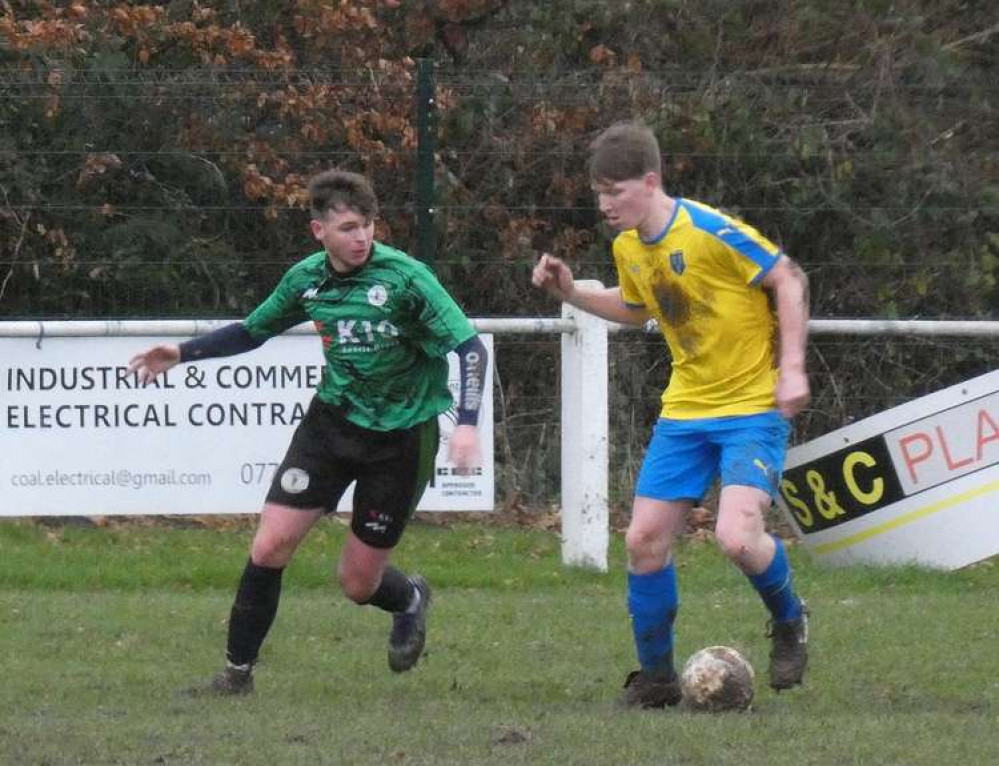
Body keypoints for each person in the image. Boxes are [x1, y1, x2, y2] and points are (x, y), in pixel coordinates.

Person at [129, 169, 488, 695]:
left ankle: (408, 597)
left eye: (367, 225)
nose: (361, 237)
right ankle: (236, 676)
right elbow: (254, 330)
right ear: (319, 231)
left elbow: (470, 348)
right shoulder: (306, 280)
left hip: (403, 437)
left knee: (356, 583)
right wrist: (183, 353)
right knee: (270, 544)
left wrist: (468, 425)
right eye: (347, 227)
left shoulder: (406, 279)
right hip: (333, 423)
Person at [532, 121, 811, 709]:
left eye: (616, 191)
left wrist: (792, 368)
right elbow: (636, 309)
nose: (606, 205)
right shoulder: (629, 247)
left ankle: (789, 619)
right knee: (643, 542)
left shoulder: (710, 230)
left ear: (651, 181)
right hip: (685, 412)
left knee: (737, 538)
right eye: (599, 194)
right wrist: (571, 293)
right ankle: (657, 679)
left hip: (751, 409)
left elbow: (788, 277)